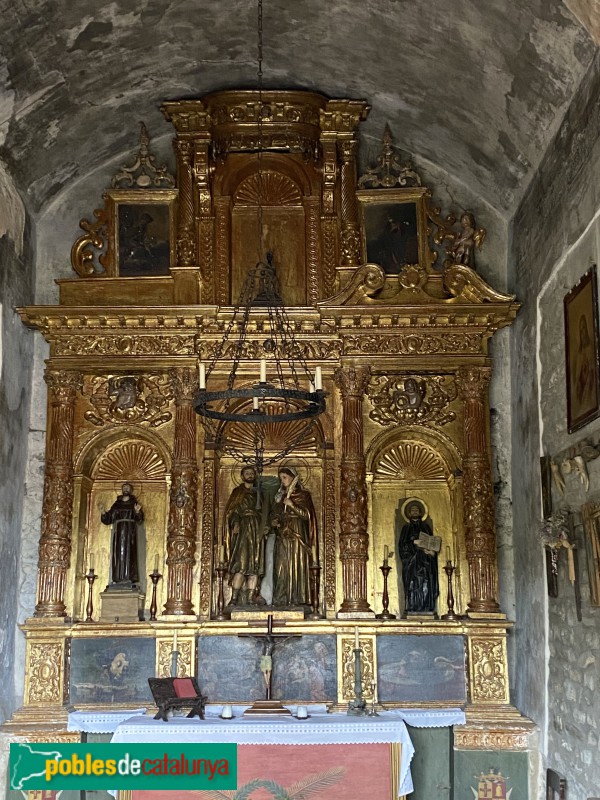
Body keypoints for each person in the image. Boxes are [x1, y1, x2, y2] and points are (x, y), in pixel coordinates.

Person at [270, 466, 318, 607]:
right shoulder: (280, 497)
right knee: (280, 566)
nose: (282, 481)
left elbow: (307, 516)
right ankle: (281, 599)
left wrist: (292, 505)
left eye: (284, 477)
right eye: (281, 478)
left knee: (297, 564)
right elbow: (276, 514)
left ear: (293, 478)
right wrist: (275, 521)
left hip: (297, 533)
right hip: (283, 534)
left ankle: (297, 599)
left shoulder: (303, 495)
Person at [224, 466, 266, 606]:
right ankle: (234, 598)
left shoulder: (259, 493)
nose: (250, 475)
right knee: (241, 565)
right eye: (247, 473)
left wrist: (265, 526)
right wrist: (235, 522)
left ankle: (250, 599)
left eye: (252, 473)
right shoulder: (238, 492)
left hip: (257, 530)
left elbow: (265, 511)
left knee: (255, 566)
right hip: (243, 529)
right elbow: (233, 510)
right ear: (242, 476)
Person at [397, 499, 439, 614]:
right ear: (409, 513)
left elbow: (432, 543)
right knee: (412, 584)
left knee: (426, 583)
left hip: (425, 562)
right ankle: (412, 607)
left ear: (420, 512)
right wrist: (414, 543)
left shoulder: (426, 527)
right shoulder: (406, 528)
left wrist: (431, 552)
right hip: (411, 563)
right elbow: (402, 546)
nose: (414, 512)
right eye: (412, 510)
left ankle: (426, 608)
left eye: (416, 510)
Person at [101, 483, 144, 585]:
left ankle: (129, 577)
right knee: (118, 554)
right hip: (119, 533)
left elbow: (139, 519)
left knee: (129, 554)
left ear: (131, 490)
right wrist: (103, 512)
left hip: (130, 533)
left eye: (127, 487)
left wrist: (137, 512)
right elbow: (108, 519)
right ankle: (117, 578)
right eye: (124, 487)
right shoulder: (117, 504)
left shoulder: (134, 503)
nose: (125, 489)